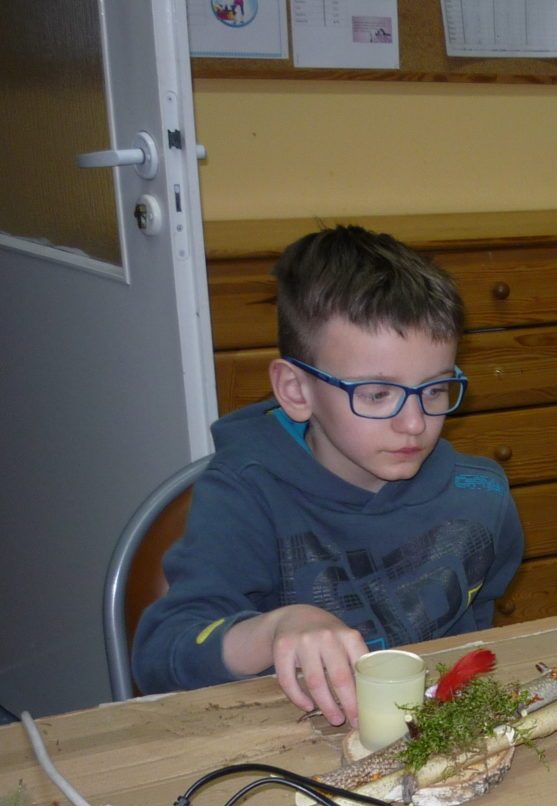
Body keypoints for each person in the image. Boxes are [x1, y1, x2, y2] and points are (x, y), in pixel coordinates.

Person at [133, 225, 524, 728]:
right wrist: (275, 628)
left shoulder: (482, 496)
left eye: (435, 389)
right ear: (297, 391)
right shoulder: (245, 495)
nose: (414, 423)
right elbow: (160, 655)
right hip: (284, 744)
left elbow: (476, 633)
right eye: (377, 394)